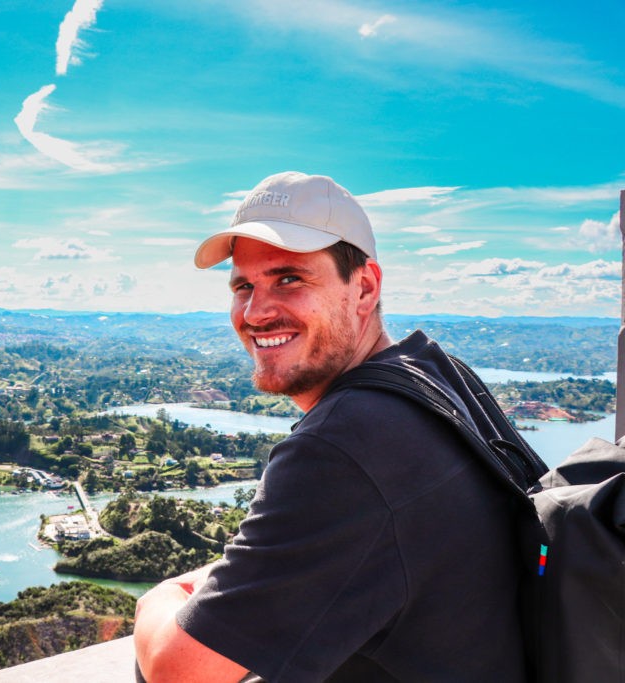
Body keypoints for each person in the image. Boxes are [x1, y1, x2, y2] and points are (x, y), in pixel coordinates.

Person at [133, 171, 528, 682]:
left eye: (289, 278)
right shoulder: (435, 376)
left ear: (364, 287)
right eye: (243, 286)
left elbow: (177, 671)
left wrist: (161, 597)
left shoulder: (343, 446)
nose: (255, 312)